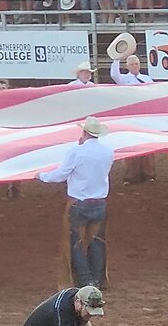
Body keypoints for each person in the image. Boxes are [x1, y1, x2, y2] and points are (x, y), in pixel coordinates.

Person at [36, 116, 116, 288]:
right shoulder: (108, 151)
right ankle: (97, 279)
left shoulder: (76, 151)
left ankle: (84, 279)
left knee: (75, 243)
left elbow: (61, 174)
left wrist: (41, 176)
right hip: (100, 202)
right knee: (97, 242)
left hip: (79, 203)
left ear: (84, 133)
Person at [111, 53, 156, 184]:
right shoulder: (124, 79)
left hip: (146, 116)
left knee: (148, 145)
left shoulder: (147, 79)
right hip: (131, 116)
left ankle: (149, 174)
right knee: (132, 144)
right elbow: (114, 74)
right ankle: (130, 176)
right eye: (132, 64)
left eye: (136, 63)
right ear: (127, 66)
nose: (135, 66)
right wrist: (116, 58)